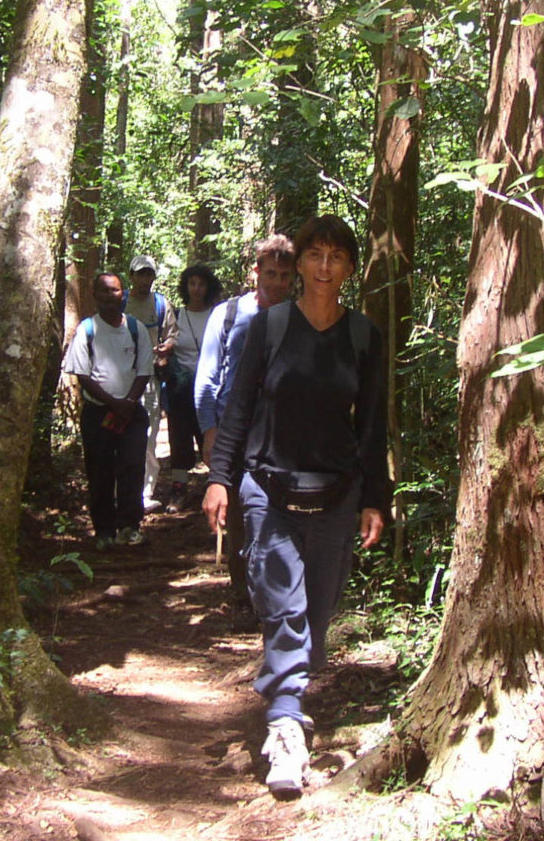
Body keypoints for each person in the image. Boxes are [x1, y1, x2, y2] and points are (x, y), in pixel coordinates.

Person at [202, 216, 388, 799]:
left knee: (316, 614)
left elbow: (373, 425)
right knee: (282, 609)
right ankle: (284, 730)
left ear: (350, 268)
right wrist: (220, 479)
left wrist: (375, 499)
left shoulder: (364, 336)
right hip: (269, 490)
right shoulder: (271, 326)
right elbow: (237, 408)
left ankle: (290, 697)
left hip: (336, 494)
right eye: (315, 255)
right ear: (300, 263)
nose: (325, 267)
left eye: (337, 257)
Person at [194, 234, 296, 630]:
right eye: (270, 274)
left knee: (276, 515)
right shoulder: (229, 314)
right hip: (233, 432)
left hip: (281, 435)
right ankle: (244, 596)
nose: (277, 283)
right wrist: (209, 431)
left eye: (285, 276)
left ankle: (273, 596)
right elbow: (207, 376)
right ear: (256, 272)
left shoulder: (299, 317)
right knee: (235, 517)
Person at [62, 271, 154, 549]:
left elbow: (144, 369)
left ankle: (129, 527)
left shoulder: (136, 329)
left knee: (132, 468)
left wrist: (127, 404)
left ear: (122, 293)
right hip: (98, 413)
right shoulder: (87, 330)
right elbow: (82, 374)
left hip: (131, 414)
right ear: (94, 295)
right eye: (103, 291)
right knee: (99, 471)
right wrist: (114, 404)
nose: (109, 296)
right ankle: (104, 530)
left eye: (114, 291)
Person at [125, 254, 176, 513]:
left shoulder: (160, 304)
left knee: (148, 436)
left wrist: (165, 351)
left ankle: (145, 494)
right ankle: (120, 493)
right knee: (119, 436)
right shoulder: (120, 302)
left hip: (150, 380)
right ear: (131, 276)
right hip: (120, 378)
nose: (144, 279)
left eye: (148, 274)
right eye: (140, 274)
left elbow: (172, 336)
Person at [166, 263, 223, 482]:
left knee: (210, 435)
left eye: (201, 284)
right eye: (192, 283)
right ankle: (179, 487)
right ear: (185, 286)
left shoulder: (216, 314)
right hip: (181, 388)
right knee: (179, 439)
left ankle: (216, 484)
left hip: (210, 389)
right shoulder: (176, 315)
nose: (197, 288)